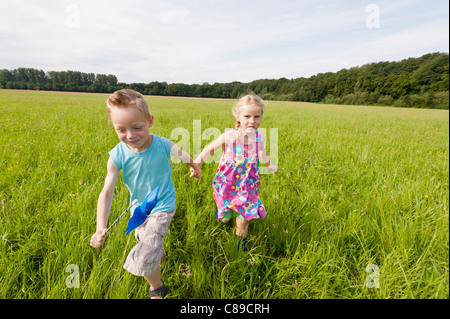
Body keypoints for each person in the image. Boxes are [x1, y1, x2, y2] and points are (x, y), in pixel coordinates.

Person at [90, 89, 201, 299]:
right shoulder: (117, 156)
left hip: (163, 205)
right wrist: (100, 227)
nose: (130, 136)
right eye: (121, 130)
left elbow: (183, 155)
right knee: (144, 238)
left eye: (137, 128)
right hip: (139, 209)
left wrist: (194, 166)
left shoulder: (162, 145)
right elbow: (106, 192)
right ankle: (157, 254)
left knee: (145, 251)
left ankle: (157, 287)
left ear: (150, 121)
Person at [192, 92, 277, 251]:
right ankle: (223, 207)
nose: (252, 121)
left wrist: (270, 164)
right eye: (247, 116)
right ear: (238, 117)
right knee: (224, 219)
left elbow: (262, 153)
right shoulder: (229, 136)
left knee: (244, 218)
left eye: (256, 116)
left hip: (248, 184)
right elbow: (210, 149)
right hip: (227, 183)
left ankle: (239, 245)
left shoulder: (260, 137)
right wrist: (196, 163)